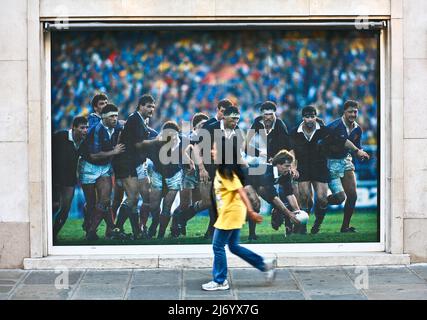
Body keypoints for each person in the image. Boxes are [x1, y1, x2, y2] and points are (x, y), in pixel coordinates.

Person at [202, 142, 276, 291]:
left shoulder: (225, 171)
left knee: (217, 246)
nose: (212, 151)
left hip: (231, 213)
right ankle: (265, 265)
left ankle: (220, 280)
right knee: (234, 246)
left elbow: (241, 191)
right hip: (232, 212)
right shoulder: (223, 170)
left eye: (214, 149)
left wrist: (251, 212)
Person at [113, 94, 161, 239]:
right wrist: (157, 141)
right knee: (132, 197)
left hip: (137, 163)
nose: (151, 109)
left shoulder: (141, 120)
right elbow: (138, 144)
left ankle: (137, 231)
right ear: (140, 106)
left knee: (141, 198)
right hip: (127, 163)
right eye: (148, 106)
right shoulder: (135, 119)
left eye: (153, 106)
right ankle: (116, 229)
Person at [244, 101, 293, 239]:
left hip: (273, 166)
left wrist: (285, 163)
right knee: (257, 202)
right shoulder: (256, 123)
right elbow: (246, 146)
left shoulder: (280, 125)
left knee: (276, 196)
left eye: (270, 114)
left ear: (275, 114)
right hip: (256, 168)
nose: (268, 118)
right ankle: (252, 234)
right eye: (265, 114)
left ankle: (287, 225)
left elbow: (288, 147)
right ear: (261, 115)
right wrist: (260, 153)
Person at [79, 103, 125, 240]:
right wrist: (114, 151)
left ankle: (92, 231)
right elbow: (94, 155)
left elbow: (126, 124)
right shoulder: (97, 130)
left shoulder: (115, 125)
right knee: (92, 203)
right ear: (104, 118)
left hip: (104, 167)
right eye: (112, 116)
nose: (115, 119)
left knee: (105, 200)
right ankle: (95, 226)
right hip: (89, 166)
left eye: (116, 116)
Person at [325, 100, 370, 233]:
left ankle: (345, 227)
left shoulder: (357, 129)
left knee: (353, 196)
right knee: (340, 198)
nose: (353, 114)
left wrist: (360, 154)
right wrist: (357, 151)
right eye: (350, 111)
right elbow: (344, 141)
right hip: (330, 162)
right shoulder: (335, 126)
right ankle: (322, 202)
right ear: (344, 112)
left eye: (355, 111)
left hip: (345, 160)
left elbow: (357, 147)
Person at [52, 116, 88, 242]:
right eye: (82, 128)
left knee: (65, 209)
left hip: (69, 178)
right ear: (74, 128)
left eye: (86, 128)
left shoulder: (84, 142)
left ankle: (53, 235)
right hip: (53, 177)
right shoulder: (60, 136)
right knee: (51, 206)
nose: (85, 130)